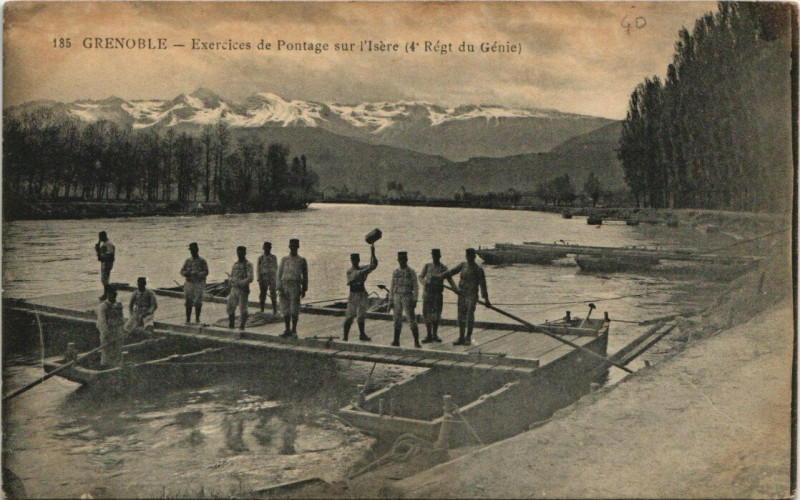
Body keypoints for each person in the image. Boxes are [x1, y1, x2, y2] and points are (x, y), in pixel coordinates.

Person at [439, 248, 491, 346]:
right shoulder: (463, 265)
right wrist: (439, 276)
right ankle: (461, 337)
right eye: (467, 256)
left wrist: (486, 300)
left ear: (474, 257)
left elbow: (483, 286)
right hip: (461, 294)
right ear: (466, 256)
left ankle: (468, 338)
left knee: (469, 316)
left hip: (472, 296)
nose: (468, 258)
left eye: (471, 256)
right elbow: (451, 272)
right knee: (461, 316)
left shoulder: (479, 269)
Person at [418, 248, 456, 343]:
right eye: (433, 255)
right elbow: (420, 277)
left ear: (440, 256)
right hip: (427, 294)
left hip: (437, 294)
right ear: (432, 256)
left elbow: (450, 280)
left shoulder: (443, 268)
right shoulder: (427, 266)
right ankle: (428, 335)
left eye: (437, 256)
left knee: (436, 314)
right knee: (427, 314)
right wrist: (424, 283)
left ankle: (435, 334)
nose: (435, 257)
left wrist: (456, 290)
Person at [343, 245, 378, 342]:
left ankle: (362, 334)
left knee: (361, 315)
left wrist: (373, 253)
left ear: (358, 260)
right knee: (350, 316)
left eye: (356, 259)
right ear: (351, 261)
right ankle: (345, 336)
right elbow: (361, 272)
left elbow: (374, 265)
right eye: (353, 260)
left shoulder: (361, 268)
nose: (354, 261)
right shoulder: (350, 271)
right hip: (353, 295)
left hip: (362, 294)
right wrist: (370, 267)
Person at [277, 239, 308, 338]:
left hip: (295, 286)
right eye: (291, 246)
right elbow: (279, 274)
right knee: (285, 308)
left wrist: (304, 288)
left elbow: (305, 275)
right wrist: (279, 287)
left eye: (295, 246)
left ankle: (294, 330)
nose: (293, 248)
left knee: (294, 309)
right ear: (289, 246)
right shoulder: (284, 259)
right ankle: (287, 329)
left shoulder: (302, 260)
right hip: (284, 285)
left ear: (298, 247)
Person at [389, 251, 421, 348]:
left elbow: (416, 286)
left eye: (403, 259)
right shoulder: (395, 272)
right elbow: (392, 286)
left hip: (407, 296)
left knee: (411, 319)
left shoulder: (411, 272)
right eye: (400, 260)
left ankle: (416, 342)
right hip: (397, 296)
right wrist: (390, 299)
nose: (401, 261)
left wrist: (415, 299)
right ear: (398, 260)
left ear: (406, 260)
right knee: (397, 319)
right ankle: (396, 340)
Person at [180, 242, 209, 324]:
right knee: (188, 301)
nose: (192, 252)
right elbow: (182, 271)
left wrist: (198, 274)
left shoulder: (202, 261)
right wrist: (186, 273)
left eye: (193, 250)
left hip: (198, 283)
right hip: (189, 283)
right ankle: (188, 319)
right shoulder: (187, 261)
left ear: (197, 250)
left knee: (198, 302)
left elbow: (206, 272)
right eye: (191, 250)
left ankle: (197, 319)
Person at [227, 246, 254, 330]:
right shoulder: (235, 264)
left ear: (245, 253)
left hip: (243, 289)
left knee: (243, 309)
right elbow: (231, 275)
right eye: (238, 252)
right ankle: (231, 324)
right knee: (230, 306)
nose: (239, 254)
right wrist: (230, 280)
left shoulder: (248, 264)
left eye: (241, 252)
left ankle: (242, 325)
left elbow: (250, 278)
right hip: (234, 289)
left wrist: (240, 283)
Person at [96, 287, 125, 367]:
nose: (113, 296)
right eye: (111, 295)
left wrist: (122, 330)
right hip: (107, 331)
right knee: (106, 350)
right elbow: (102, 321)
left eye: (114, 294)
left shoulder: (119, 305)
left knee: (118, 349)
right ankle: (104, 365)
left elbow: (122, 318)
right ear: (108, 295)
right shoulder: (103, 306)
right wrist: (106, 333)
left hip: (117, 330)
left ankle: (116, 365)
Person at [257, 241, 278, 315]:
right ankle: (262, 310)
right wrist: (259, 278)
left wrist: (277, 279)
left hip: (272, 278)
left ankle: (275, 310)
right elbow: (258, 269)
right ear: (263, 248)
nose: (267, 249)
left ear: (270, 248)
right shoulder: (260, 258)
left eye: (268, 248)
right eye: (265, 247)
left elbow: (276, 268)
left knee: (273, 294)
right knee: (262, 294)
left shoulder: (274, 257)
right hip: (263, 278)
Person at [95, 231, 116, 300]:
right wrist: (97, 250)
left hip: (107, 263)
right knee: (104, 280)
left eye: (100, 237)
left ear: (104, 236)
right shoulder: (104, 244)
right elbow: (100, 256)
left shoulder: (109, 244)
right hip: (104, 263)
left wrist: (100, 253)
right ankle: (106, 294)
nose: (99, 239)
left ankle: (110, 292)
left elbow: (111, 256)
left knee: (104, 280)